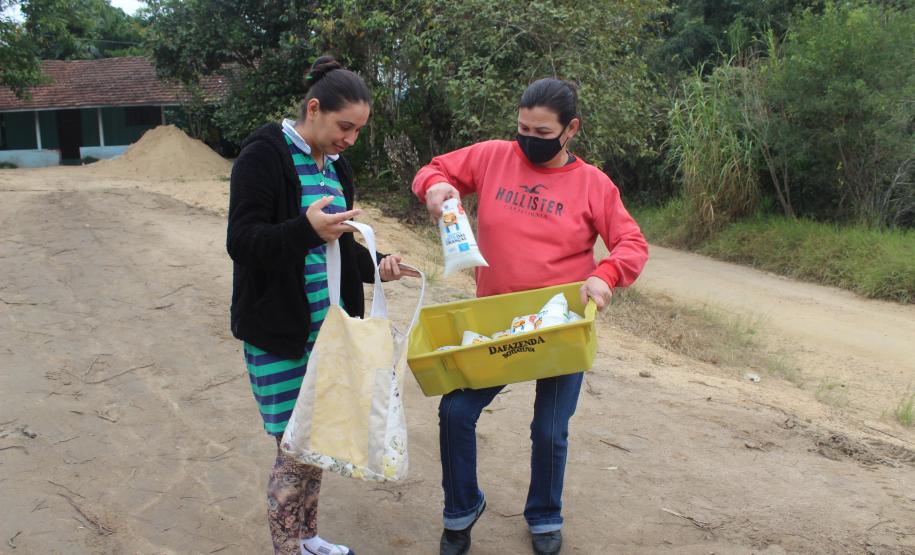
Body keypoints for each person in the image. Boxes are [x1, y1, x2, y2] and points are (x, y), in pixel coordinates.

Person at [412, 78, 649, 555]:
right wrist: (435, 186)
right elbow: (435, 170)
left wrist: (605, 275)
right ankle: (461, 509)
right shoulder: (493, 157)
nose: (529, 140)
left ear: (570, 129)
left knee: (549, 429)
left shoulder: (593, 185)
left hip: (560, 328)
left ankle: (544, 515)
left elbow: (631, 243)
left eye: (542, 132)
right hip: (496, 320)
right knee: (456, 411)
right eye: (522, 128)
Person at [227, 56, 413, 555]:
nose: (350, 139)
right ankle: (287, 549)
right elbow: (242, 241)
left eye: (358, 130)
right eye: (344, 126)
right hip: (279, 335)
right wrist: (304, 229)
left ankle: (308, 539)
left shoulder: (335, 167)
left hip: (328, 334)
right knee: (294, 450)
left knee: (317, 443)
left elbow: (338, 247)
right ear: (314, 109)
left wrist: (377, 265)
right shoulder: (264, 155)